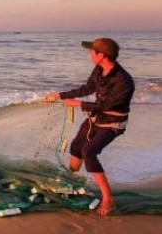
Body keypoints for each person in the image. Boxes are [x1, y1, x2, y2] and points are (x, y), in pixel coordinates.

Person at [46, 38, 135, 217]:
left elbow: (105, 107)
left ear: (101, 55)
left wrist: (78, 105)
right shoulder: (99, 69)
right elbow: (87, 88)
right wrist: (60, 95)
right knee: (77, 146)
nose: (89, 54)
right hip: (96, 118)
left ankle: (108, 199)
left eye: (91, 51)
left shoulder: (123, 81)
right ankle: (70, 182)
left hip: (113, 123)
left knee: (89, 151)